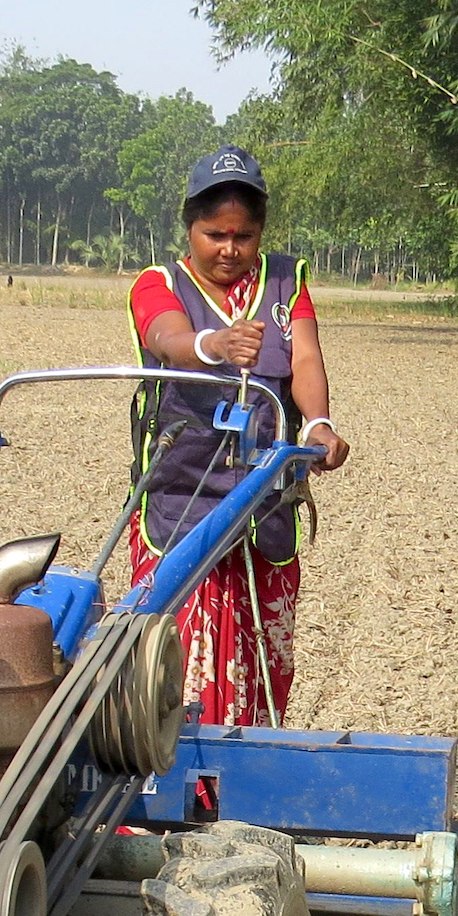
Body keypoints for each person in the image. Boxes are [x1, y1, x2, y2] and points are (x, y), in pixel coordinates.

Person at [127, 144, 349, 727]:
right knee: (172, 672)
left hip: (265, 506)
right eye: (215, 235)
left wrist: (319, 422)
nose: (230, 249)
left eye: (243, 236)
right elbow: (167, 339)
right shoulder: (158, 283)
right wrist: (214, 345)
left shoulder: (284, 283)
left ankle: (251, 762)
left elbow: (304, 358)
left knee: (264, 663)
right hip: (181, 507)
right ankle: (177, 772)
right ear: (190, 229)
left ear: (260, 233)